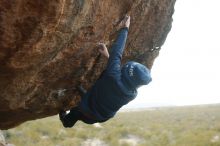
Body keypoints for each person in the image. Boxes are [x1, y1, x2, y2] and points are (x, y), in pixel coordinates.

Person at [59, 15, 152, 127]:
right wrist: (108, 56)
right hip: (100, 116)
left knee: (75, 112)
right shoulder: (132, 94)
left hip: (85, 112)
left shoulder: (114, 77)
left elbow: (117, 52)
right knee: (100, 95)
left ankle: (67, 122)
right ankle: (85, 95)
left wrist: (125, 28)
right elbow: (115, 74)